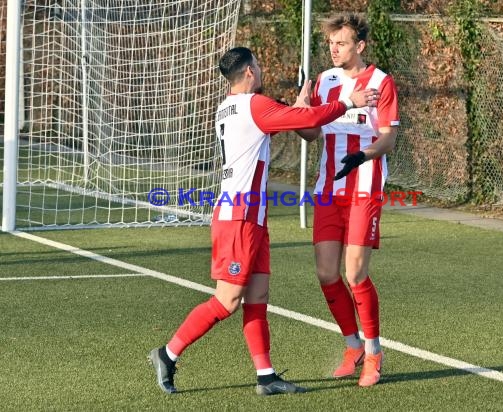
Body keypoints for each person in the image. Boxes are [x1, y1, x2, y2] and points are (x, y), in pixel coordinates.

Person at [148, 46, 379, 396]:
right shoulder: (253, 105)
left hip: (249, 217)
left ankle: (266, 376)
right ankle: (168, 353)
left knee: (257, 297)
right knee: (228, 300)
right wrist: (350, 102)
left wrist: (303, 105)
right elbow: (305, 121)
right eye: (258, 65)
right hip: (238, 217)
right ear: (250, 73)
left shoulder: (230, 106)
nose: (261, 70)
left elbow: (293, 118)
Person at [295, 14, 400, 387]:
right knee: (326, 274)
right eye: (331, 44)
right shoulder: (324, 81)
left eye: (341, 43)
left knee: (355, 273)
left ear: (360, 46)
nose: (334, 49)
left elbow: (387, 137)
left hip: (364, 188)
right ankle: (352, 346)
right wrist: (301, 105)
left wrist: (364, 155)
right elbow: (309, 132)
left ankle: (373, 354)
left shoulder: (381, 81)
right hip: (328, 190)